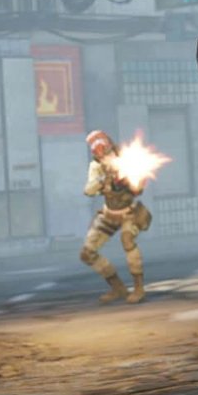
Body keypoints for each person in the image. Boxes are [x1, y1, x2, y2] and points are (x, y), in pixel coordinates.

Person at [80, 130, 152, 304]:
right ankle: (118, 288)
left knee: (127, 240)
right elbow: (88, 190)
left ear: (110, 146)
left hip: (129, 212)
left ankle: (139, 289)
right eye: (99, 153)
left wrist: (127, 180)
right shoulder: (96, 166)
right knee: (87, 253)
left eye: (105, 150)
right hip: (109, 213)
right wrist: (103, 181)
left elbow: (139, 188)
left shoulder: (126, 159)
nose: (104, 155)